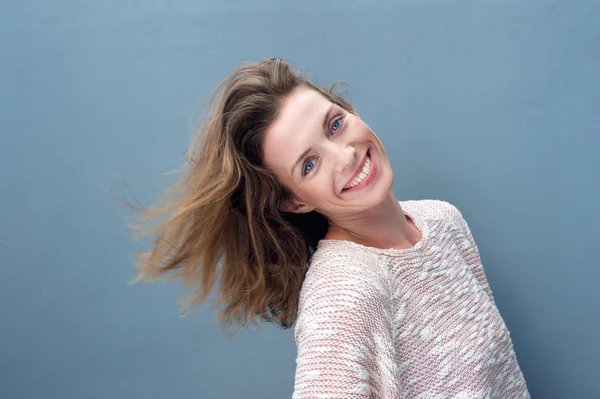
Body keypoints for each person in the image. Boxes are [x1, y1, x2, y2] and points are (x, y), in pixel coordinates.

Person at [128, 58, 530, 398]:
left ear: (351, 110)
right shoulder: (343, 296)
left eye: (335, 125)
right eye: (309, 164)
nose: (345, 156)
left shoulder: (443, 221)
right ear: (295, 201)